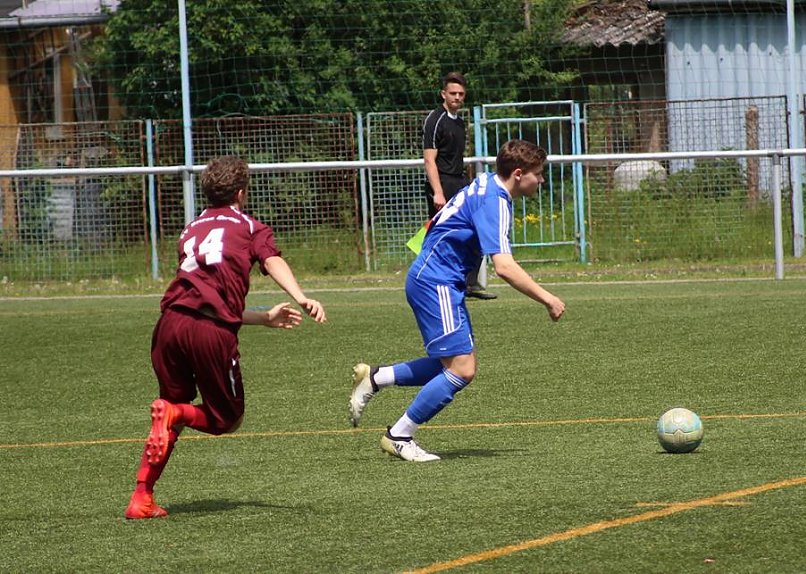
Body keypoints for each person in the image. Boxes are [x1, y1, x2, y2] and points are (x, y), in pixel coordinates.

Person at [125, 155, 326, 519]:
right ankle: (172, 412)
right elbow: (270, 261)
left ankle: (141, 497)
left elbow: (203, 300)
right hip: (209, 334)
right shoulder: (248, 226)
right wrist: (301, 296)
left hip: (169, 326)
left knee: (174, 409)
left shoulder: (191, 228)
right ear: (240, 192)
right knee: (225, 419)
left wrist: (264, 318)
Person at [349, 139, 566, 461]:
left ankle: (377, 377)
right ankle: (399, 435)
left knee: (448, 363)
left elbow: (438, 223)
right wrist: (548, 299)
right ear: (519, 174)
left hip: (435, 281)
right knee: (462, 370)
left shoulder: (482, 182)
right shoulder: (495, 201)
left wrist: (430, 260)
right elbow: (504, 267)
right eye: (539, 173)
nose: (542, 180)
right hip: (436, 284)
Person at [422, 71, 496, 300]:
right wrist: (438, 192)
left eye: (461, 94)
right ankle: (427, 278)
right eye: (453, 93)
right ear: (443, 94)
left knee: (478, 228)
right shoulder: (435, 120)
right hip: (443, 184)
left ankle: (469, 283)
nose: (457, 97)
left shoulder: (460, 121)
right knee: (439, 235)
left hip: (460, 182)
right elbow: (429, 160)